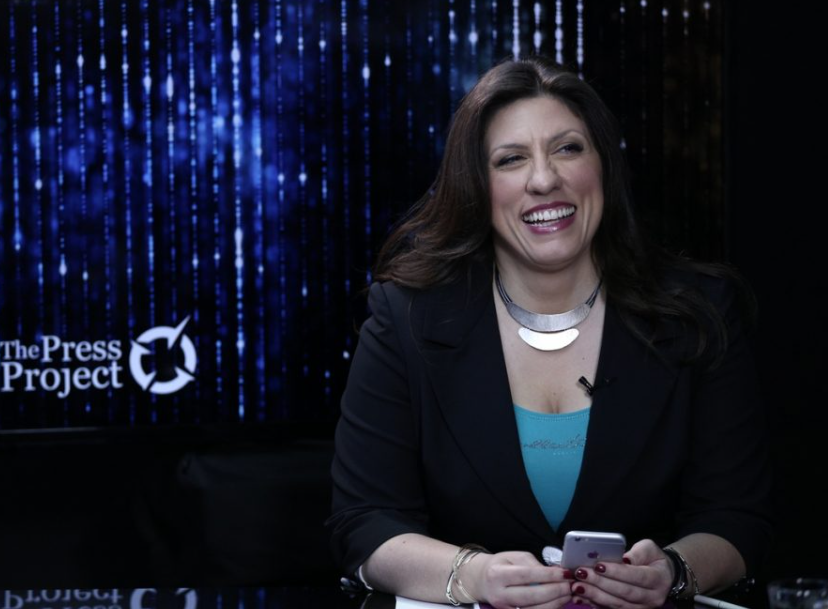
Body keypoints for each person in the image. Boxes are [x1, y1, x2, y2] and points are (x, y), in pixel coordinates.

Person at [327, 56, 771, 609]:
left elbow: (737, 518)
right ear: (476, 185)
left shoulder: (700, 312)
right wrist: (475, 576)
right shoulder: (405, 318)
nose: (543, 179)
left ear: (603, 165)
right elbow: (364, 522)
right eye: (511, 159)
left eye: (568, 148)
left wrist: (674, 572)